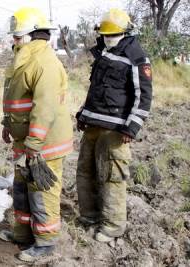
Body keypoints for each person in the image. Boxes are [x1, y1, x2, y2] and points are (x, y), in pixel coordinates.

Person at [0, 7, 74, 262]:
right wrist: (8, 125)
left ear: (32, 35)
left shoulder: (44, 62)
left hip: (43, 145)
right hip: (26, 142)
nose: (14, 41)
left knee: (42, 193)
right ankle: (23, 234)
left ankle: (45, 243)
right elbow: (18, 101)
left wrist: (34, 142)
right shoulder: (25, 59)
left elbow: (45, 107)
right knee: (21, 190)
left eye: (18, 37)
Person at [75, 8, 153, 242]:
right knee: (85, 171)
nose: (109, 39)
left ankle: (113, 226)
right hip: (92, 124)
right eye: (105, 35)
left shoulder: (136, 56)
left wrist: (132, 127)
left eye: (113, 35)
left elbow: (144, 96)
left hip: (116, 130)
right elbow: (96, 90)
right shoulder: (102, 53)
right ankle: (89, 216)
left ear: (126, 32)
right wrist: (82, 114)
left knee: (112, 176)